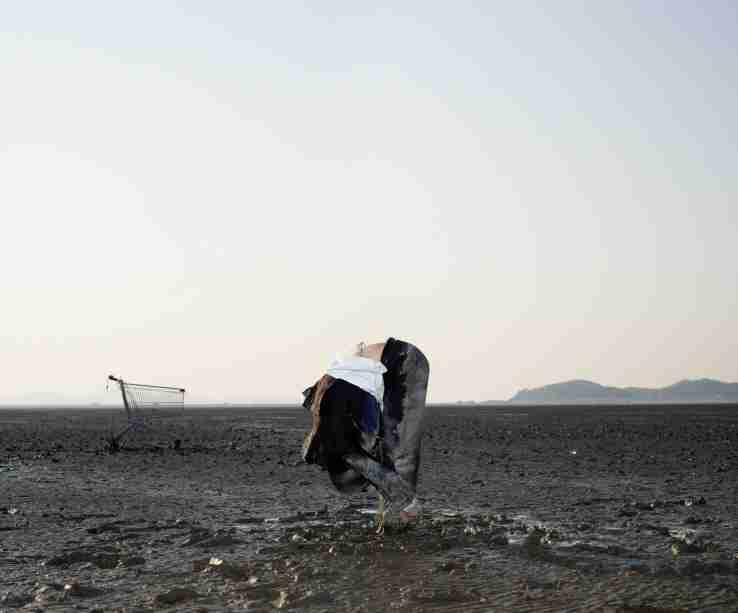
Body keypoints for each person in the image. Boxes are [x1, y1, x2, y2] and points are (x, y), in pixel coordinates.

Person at [302, 338, 430, 532]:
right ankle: (398, 513)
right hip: (399, 359)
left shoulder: (336, 439)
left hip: (400, 361)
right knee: (393, 453)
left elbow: (368, 462)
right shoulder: (332, 405)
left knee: (400, 458)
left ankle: (402, 513)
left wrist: (403, 498)